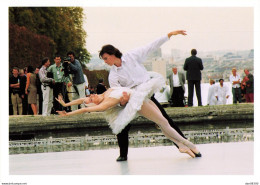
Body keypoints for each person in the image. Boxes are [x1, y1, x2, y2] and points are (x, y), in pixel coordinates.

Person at [56, 72, 201, 159]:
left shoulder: (103, 93)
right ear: (94, 104)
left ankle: (182, 145)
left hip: (140, 96)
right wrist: (68, 114)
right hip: (137, 103)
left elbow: (82, 100)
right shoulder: (104, 103)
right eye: (91, 98)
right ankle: (186, 143)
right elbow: (84, 109)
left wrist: (65, 105)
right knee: (163, 122)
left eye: (91, 95)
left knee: (163, 123)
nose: (92, 95)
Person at [99, 30, 190, 161]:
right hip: (131, 99)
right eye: (103, 60)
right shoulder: (113, 75)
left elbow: (150, 46)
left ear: (113, 54)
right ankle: (123, 154)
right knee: (122, 126)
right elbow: (117, 93)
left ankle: (185, 144)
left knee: (165, 120)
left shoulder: (131, 56)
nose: (105, 61)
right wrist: (122, 101)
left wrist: (169, 35)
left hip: (145, 94)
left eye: (106, 58)